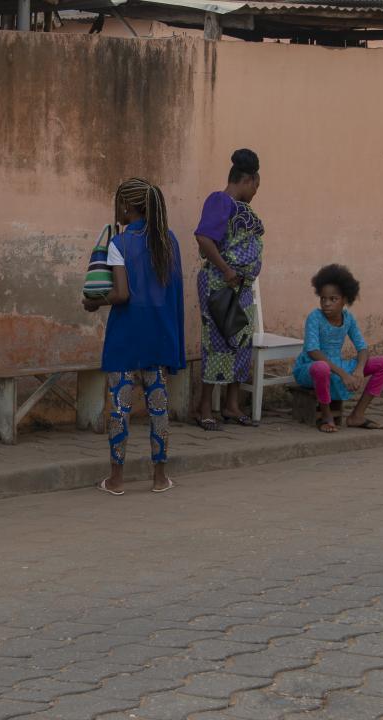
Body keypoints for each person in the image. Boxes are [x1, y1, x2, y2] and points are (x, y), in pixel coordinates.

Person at [83, 178, 185, 495]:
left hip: (126, 336)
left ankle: (116, 479)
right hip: (157, 335)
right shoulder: (168, 241)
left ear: (128, 206)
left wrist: (94, 302)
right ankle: (159, 478)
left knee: (120, 407)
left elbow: (122, 294)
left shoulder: (120, 243)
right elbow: (174, 293)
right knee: (158, 407)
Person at [194, 149, 264, 430]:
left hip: (242, 286)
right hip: (220, 283)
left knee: (241, 342)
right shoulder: (220, 201)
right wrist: (226, 270)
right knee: (217, 341)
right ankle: (204, 408)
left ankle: (232, 406)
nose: (256, 193)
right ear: (247, 179)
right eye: (256, 186)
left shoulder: (242, 209)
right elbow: (203, 237)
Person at [292, 264, 383, 433]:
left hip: (337, 366)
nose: (326, 304)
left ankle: (357, 416)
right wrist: (344, 374)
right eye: (323, 298)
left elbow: (362, 348)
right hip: (310, 368)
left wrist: (359, 370)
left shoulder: (349, 318)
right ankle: (327, 417)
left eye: (333, 299)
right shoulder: (314, 317)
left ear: (345, 300)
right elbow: (313, 351)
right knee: (322, 367)